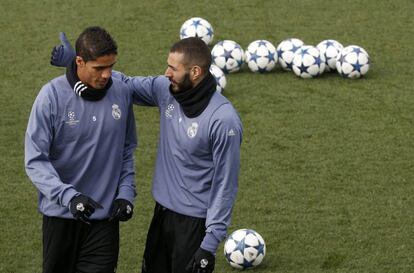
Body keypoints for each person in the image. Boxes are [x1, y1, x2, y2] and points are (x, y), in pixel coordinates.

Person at [51, 34, 243, 273]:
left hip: (195, 225)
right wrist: (77, 64)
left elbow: (226, 185)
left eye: (173, 68)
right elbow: (124, 84)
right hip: (161, 215)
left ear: (195, 72)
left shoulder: (224, 121)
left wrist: (210, 243)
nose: (167, 73)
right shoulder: (166, 90)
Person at [25, 26, 137, 273]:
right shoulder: (51, 97)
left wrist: (126, 193)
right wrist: (69, 197)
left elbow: (127, 150)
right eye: (99, 68)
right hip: (60, 218)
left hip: (104, 221)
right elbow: (35, 160)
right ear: (79, 62)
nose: (107, 75)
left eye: (111, 66)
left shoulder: (121, 92)